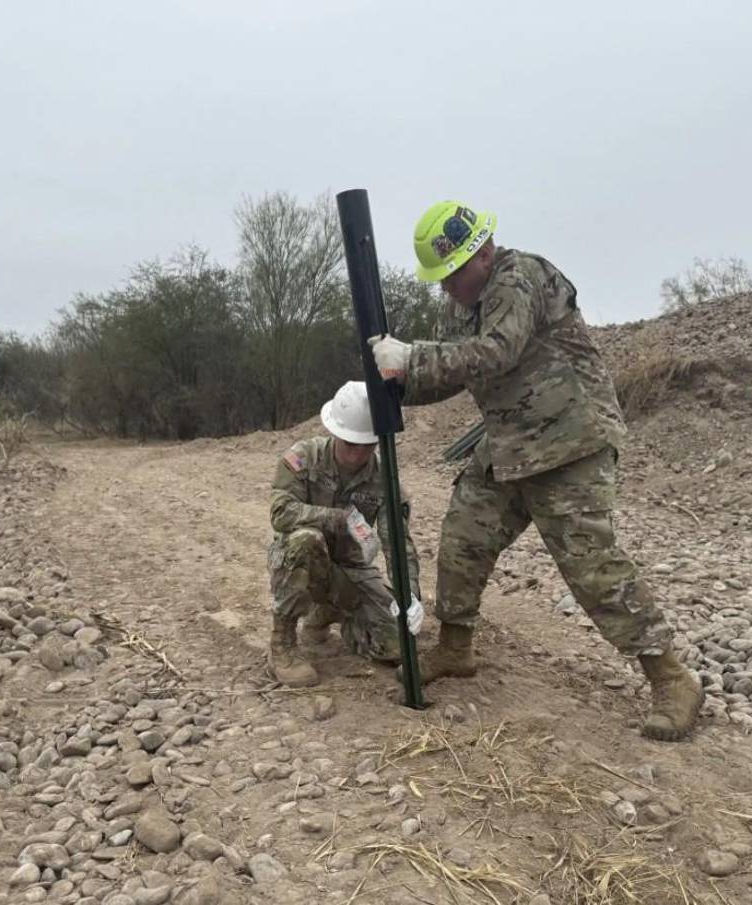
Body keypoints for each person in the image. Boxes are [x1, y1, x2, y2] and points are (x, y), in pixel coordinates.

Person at [366, 201, 704, 741]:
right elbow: (453, 370)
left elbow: (494, 353)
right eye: (442, 280)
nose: (447, 290)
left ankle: (671, 679)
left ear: (482, 252)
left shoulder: (521, 277)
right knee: (462, 539)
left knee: (590, 563)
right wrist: (393, 384)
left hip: (570, 441)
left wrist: (413, 358)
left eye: (452, 275)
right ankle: (456, 647)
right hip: (508, 444)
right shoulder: (460, 305)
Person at [266, 380, 424, 687]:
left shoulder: (385, 479)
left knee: (396, 646)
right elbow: (280, 513)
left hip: (351, 572)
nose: (357, 454)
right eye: (351, 443)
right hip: (301, 563)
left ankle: (329, 613)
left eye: (367, 445)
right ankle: (282, 643)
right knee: (306, 540)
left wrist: (410, 594)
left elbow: (397, 543)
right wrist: (332, 518)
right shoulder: (303, 458)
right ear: (334, 432)